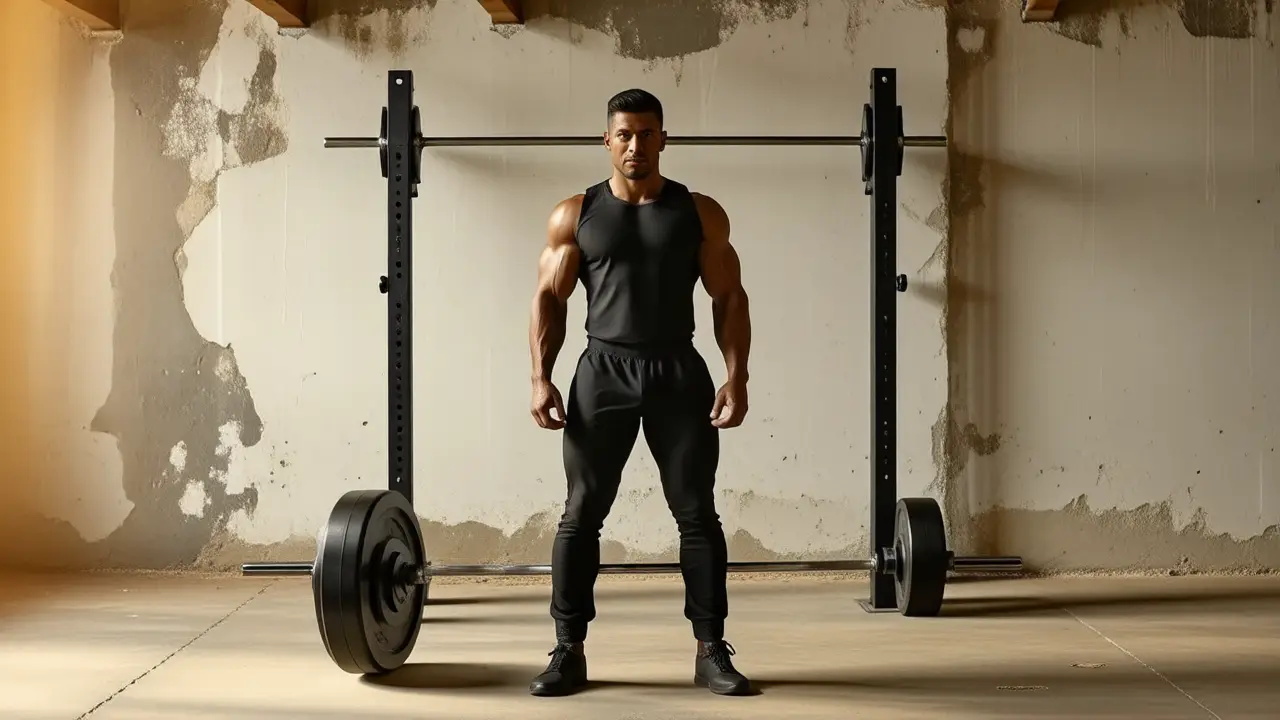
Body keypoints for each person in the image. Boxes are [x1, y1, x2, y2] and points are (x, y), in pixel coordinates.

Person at [526, 88, 753, 697]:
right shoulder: (575, 214)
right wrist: (540, 375)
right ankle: (567, 650)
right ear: (607, 140)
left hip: (678, 372)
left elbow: (728, 296)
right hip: (603, 372)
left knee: (697, 515)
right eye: (623, 134)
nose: (635, 145)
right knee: (581, 515)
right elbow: (550, 297)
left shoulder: (699, 212)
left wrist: (738, 374)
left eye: (646, 134)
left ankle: (711, 651)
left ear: (663, 138)